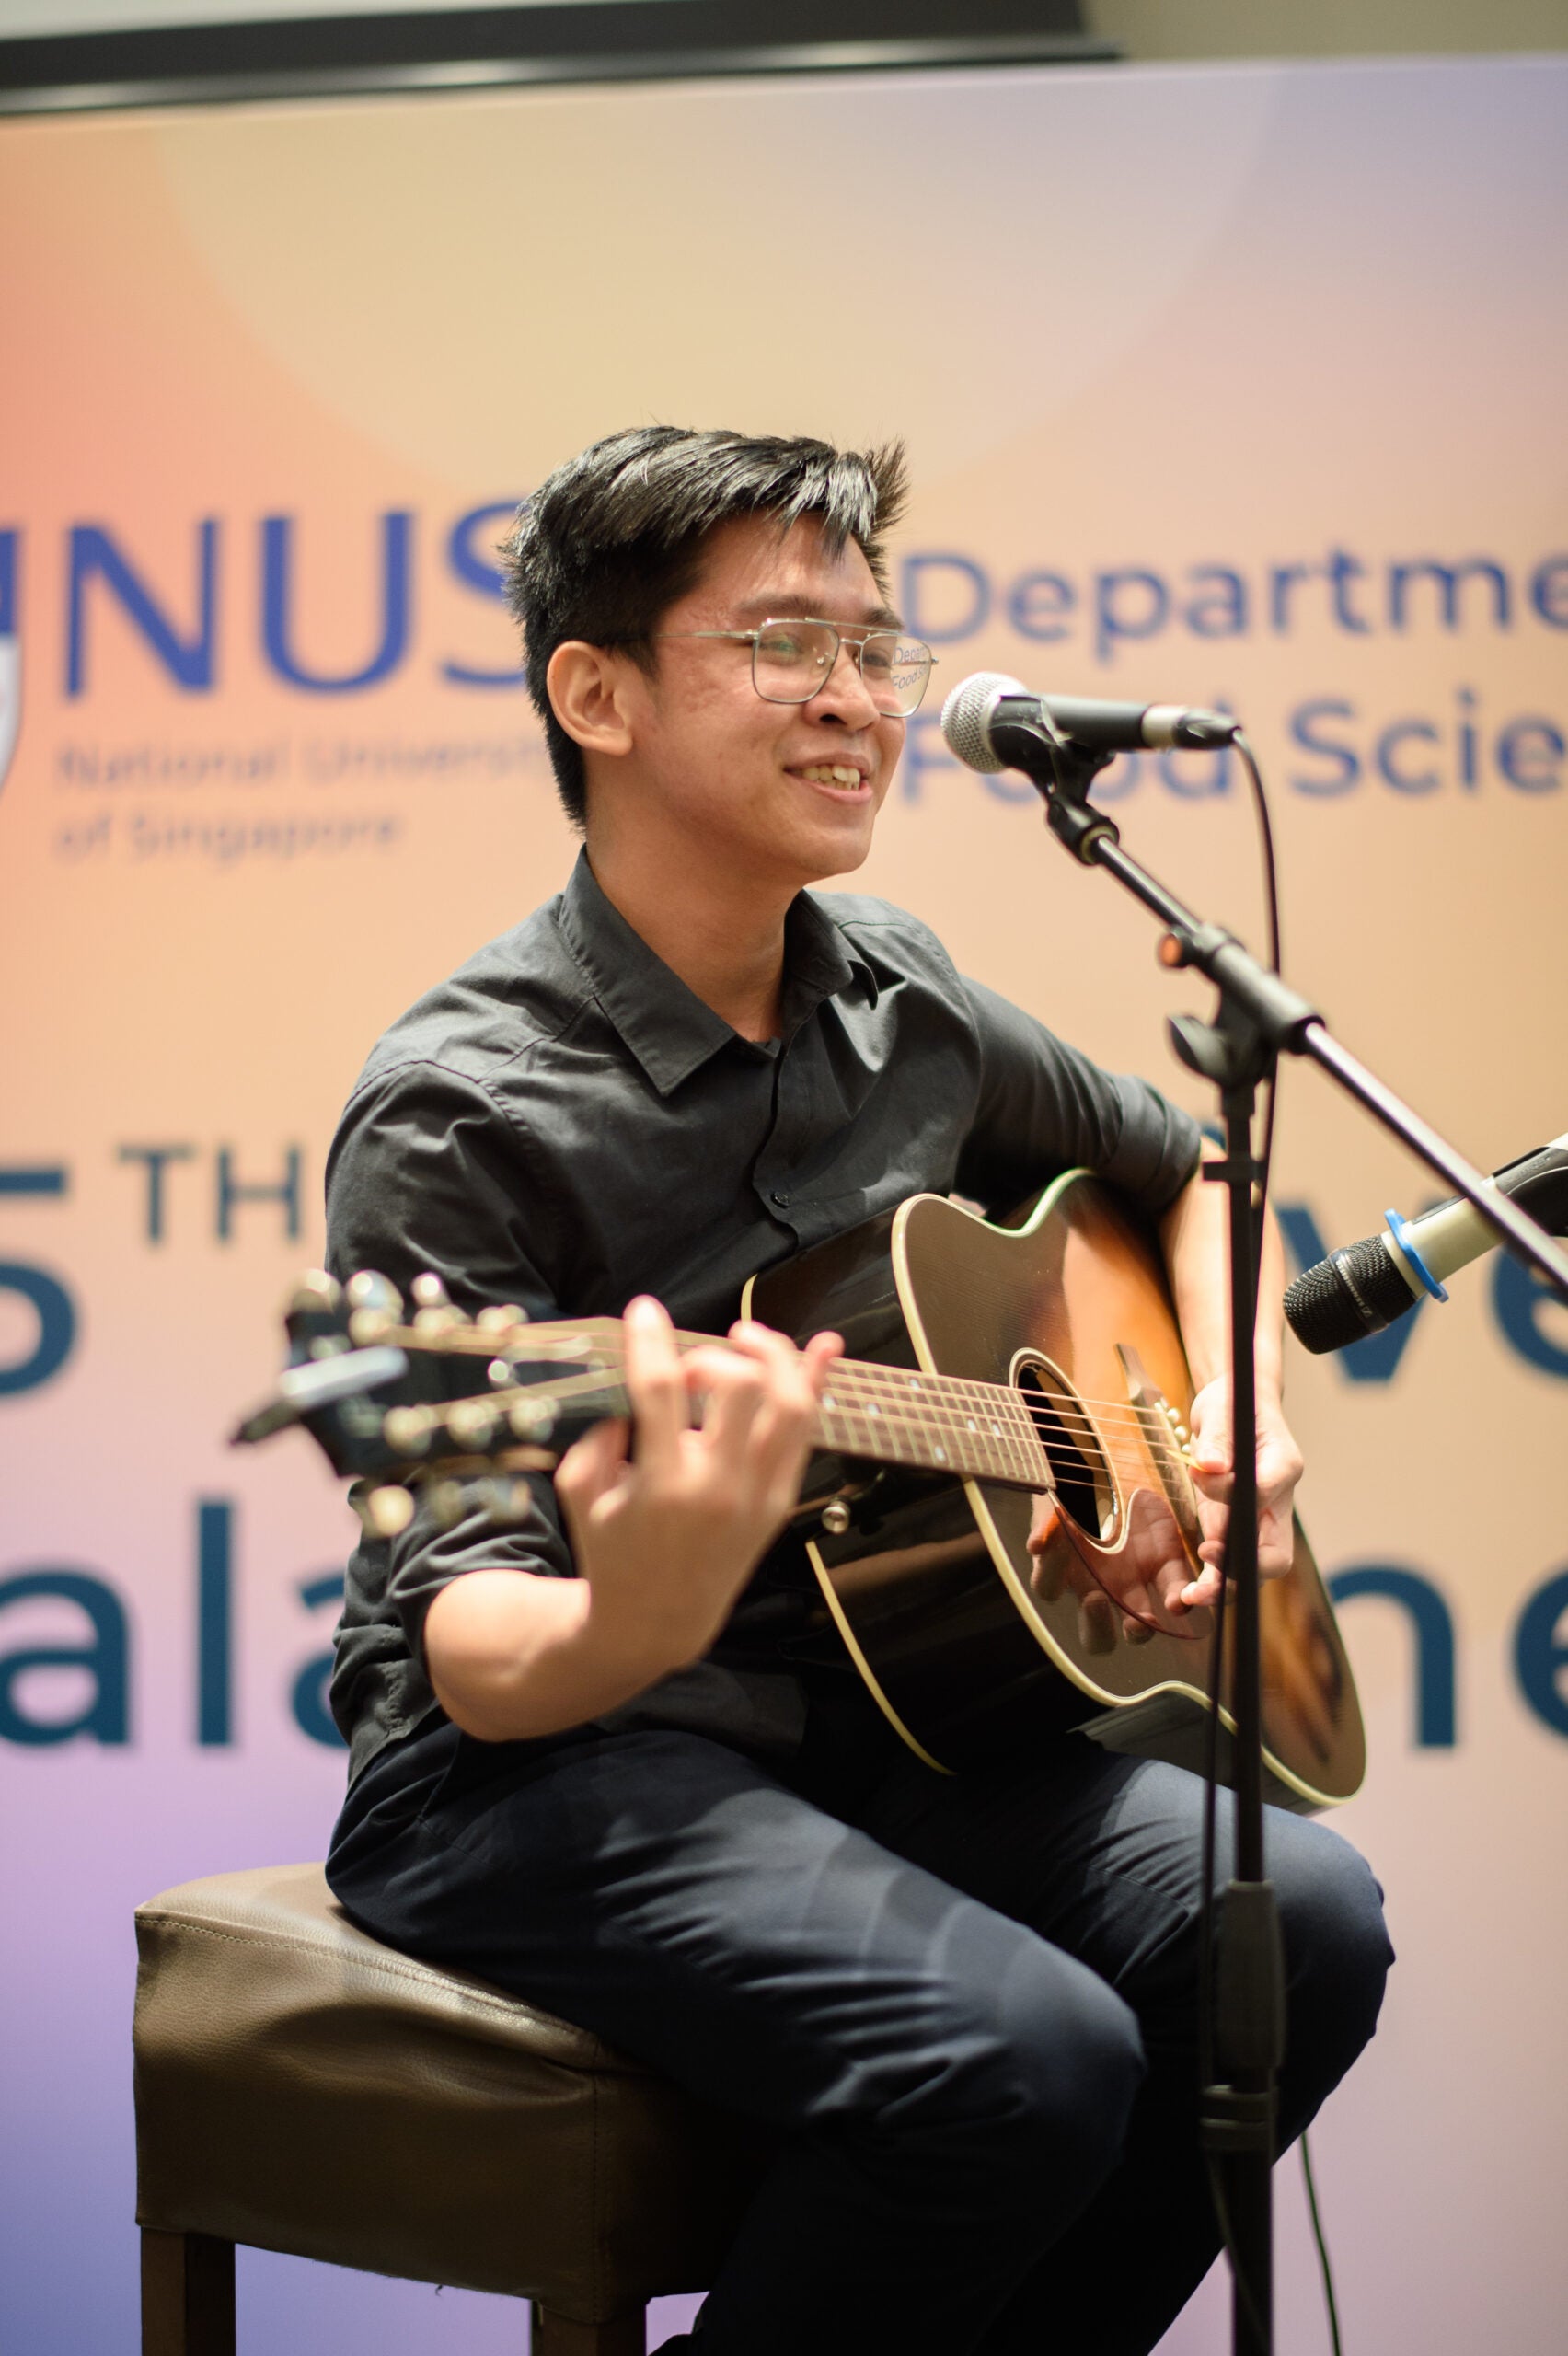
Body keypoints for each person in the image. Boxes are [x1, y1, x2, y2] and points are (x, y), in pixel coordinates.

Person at [323, 426, 1390, 2355]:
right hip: (544, 1769)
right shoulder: (461, 1108)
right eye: (784, 644)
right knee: (1027, 2056)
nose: (856, 699)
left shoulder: (901, 992)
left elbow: (1192, 1168)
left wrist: (1229, 1413)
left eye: (876, 647)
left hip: (883, 1720)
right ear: (597, 694)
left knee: (1298, 1929)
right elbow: (468, 1644)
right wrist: (638, 1607)